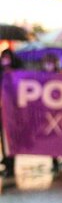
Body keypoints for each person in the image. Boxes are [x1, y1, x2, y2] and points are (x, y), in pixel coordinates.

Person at [0, 49, 22, 178]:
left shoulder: (17, 72)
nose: (5, 60)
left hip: (12, 112)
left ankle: (11, 165)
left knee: (11, 139)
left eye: (8, 57)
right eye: (4, 57)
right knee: (4, 140)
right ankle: (6, 162)